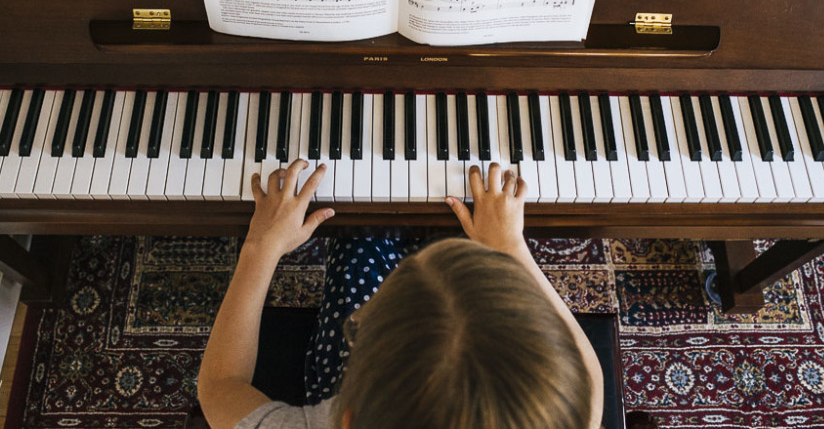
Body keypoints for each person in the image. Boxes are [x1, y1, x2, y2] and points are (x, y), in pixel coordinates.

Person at [197, 159, 604, 429]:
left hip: (347, 382)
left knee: (359, 241)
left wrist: (261, 246)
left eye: (368, 316)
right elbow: (589, 377)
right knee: (451, 228)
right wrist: (509, 246)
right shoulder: (561, 415)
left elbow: (219, 387)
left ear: (349, 421)